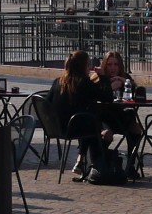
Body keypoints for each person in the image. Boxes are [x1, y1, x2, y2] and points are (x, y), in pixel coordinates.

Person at [47, 49, 117, 178]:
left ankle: (82, 160)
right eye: (88, 64)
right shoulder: (84, 83)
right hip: (76, 128)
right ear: (83, 66)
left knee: (90, 118)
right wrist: (103, 77)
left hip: (57, 128)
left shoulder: (58, 82)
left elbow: (47, 103)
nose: (89, 68)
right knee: (94, 123)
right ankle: (96, 165)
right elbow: (107, 97)